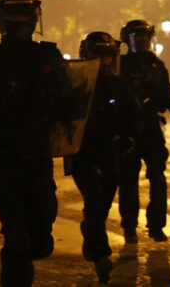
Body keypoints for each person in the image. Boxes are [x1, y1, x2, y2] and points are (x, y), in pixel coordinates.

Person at [0, 0, 70, 286]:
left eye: (23, 14)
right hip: (5, 156)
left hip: (38, 154)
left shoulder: (48, 57)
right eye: (15, 15)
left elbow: (69, 100)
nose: (19, 22)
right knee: (16, 235)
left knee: (40, 236)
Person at [65, 31, 140, 283]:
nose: (106, 61)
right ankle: (100, 255)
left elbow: (132, 114)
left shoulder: (118, 84)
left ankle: (90, 230)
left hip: (109, 150)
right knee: (95, 199)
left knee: (103, 203)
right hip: (82, 152)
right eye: (101, 55)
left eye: (109, 55)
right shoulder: (76, 82)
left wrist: (130, 137)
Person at [117, 19, 170, 243]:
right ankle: (129, 227)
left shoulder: (156, 65)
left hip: (151, 126)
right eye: (137, 36)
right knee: (128, 179)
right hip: (128, 127)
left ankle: (156, 226)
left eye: (145, 36)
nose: (142, 40)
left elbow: (166, 89)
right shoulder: (120, 64)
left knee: (158, 177)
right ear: (128, 40)